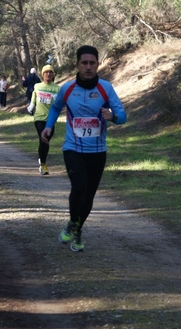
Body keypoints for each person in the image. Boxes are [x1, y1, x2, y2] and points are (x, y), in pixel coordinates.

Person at [41, 45, 127, 252]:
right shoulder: (67, 88)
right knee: (78, 186)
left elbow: (122, 116)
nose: (88, 67)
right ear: (77, 65)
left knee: (88, 196)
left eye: (92, 63)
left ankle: (78, 230)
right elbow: (55, 107)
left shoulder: (106, 88)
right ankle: (72, 223)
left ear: (98, 64)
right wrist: (49, 126)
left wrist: (113, 117)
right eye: (84, 63)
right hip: (73, 148)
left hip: (97, 152)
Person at [27, 65, 60, 175]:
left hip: (51, 119)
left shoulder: (57, 88)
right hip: (39, 118)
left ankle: (42, 158)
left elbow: (59, 104)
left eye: (51, 72)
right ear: (42, 74)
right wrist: (31, 106)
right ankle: (43, 165)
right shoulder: (37, 86)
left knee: (46, 141)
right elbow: (34, 97)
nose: (48, 74)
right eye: (46, 72)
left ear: (53, 74)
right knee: (43, 139)